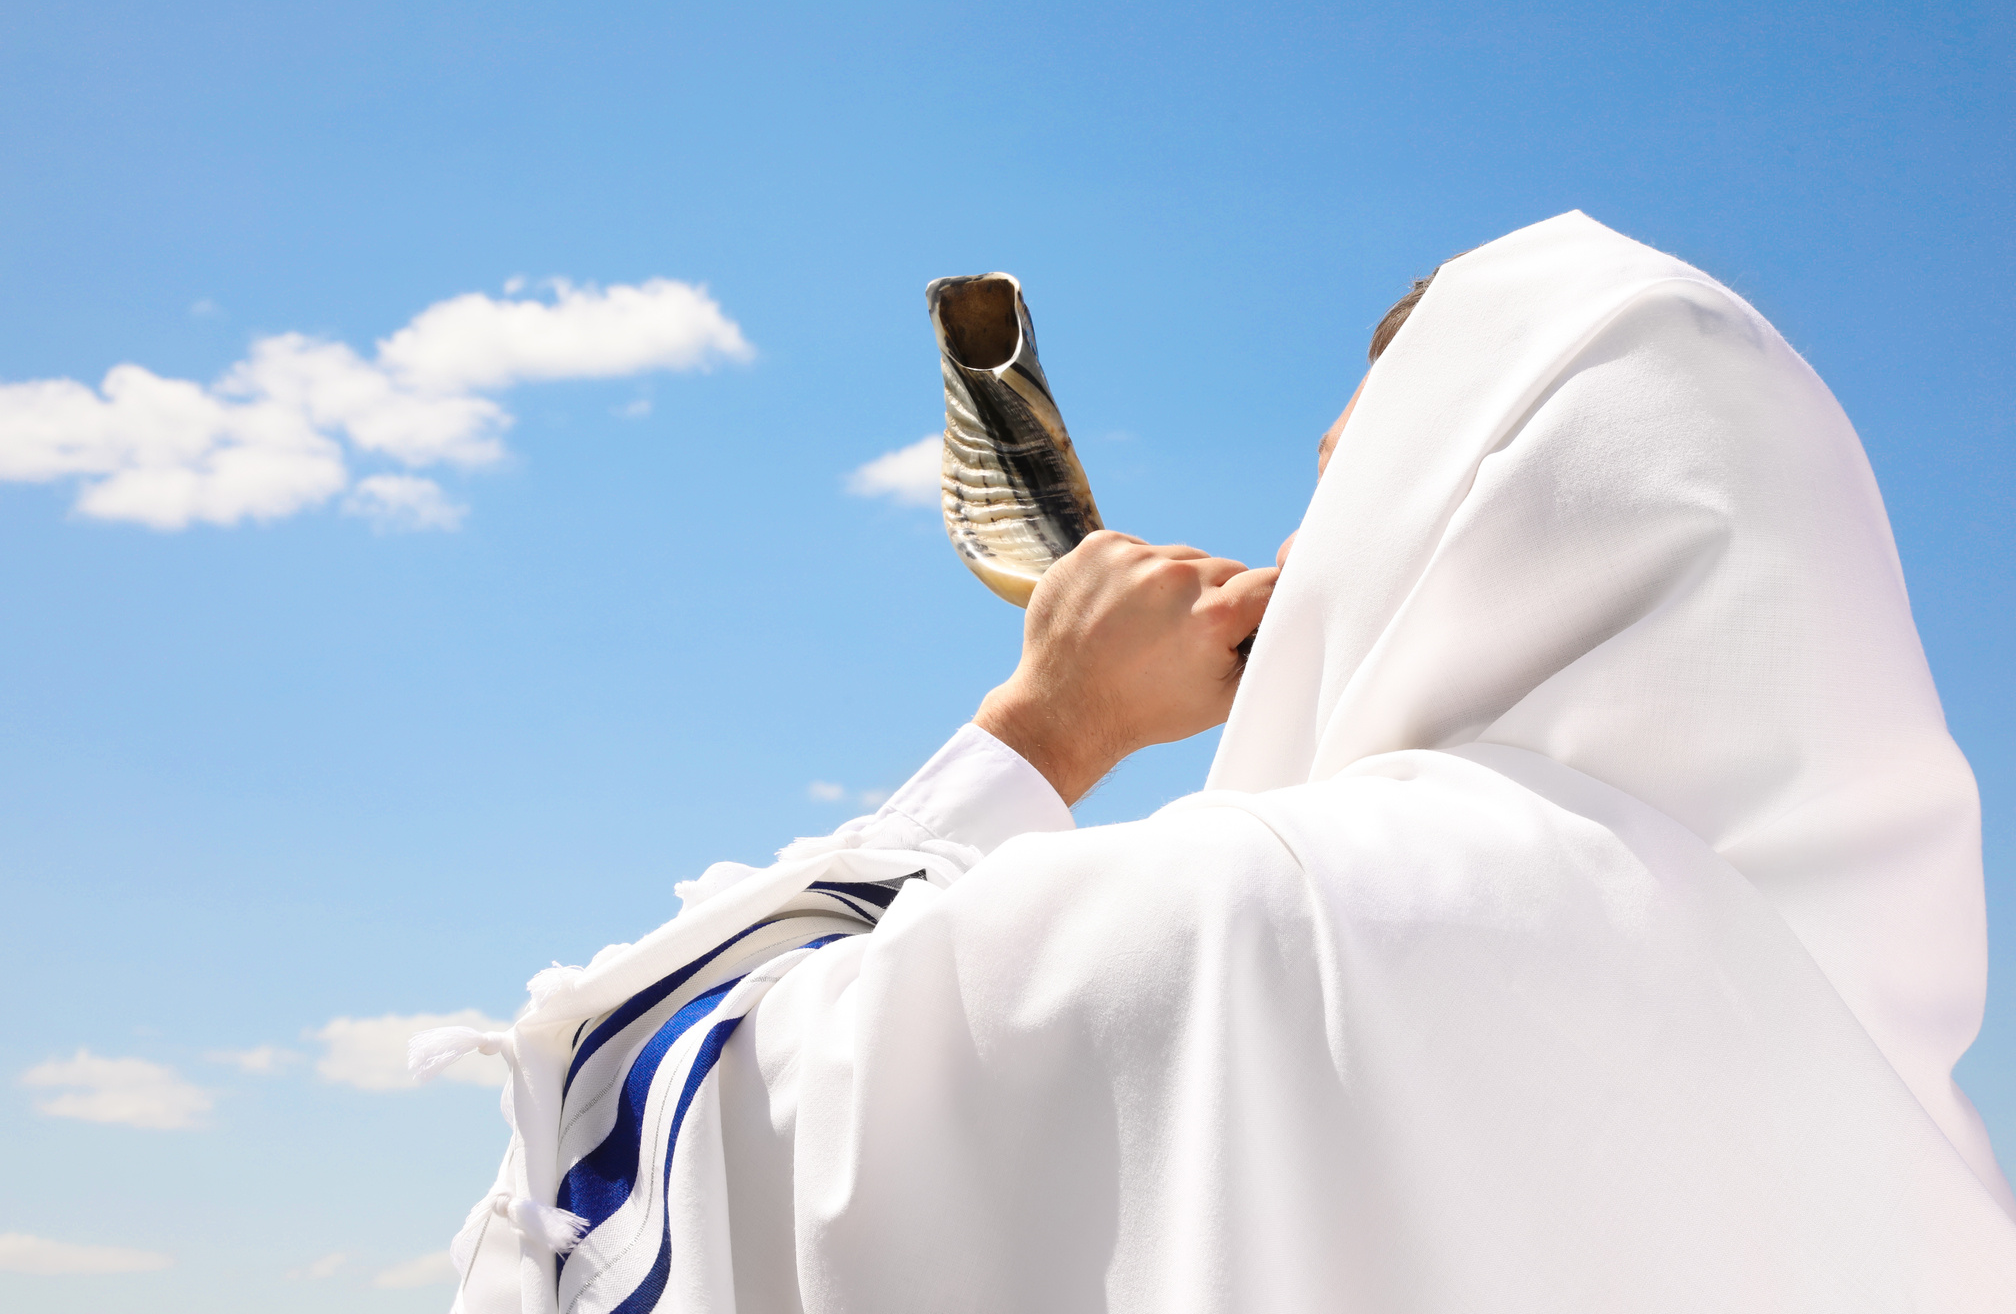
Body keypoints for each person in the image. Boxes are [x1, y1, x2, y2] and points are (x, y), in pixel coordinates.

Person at [427, 212, 2016, 1313]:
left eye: (1340, 486)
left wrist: (1046, 730)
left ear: (1429, 516)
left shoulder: (1260, 925)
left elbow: (624, 1160)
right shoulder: (1919, 1142)